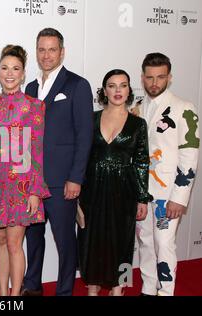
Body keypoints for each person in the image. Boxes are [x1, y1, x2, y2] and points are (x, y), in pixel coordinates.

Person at [22, 27, 94, 296]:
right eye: (42, 49)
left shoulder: (77, 85)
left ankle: (64, 291)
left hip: (62, 181)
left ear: (62, 52)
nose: (47, 55)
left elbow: (85, 135)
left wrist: (75, 178)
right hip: (33, 182)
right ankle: (32, 285)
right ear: (36, 52)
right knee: (34, 238)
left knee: (65, 241)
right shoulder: (29, 88)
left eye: (52, 49)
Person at [0, 45, 51, 296]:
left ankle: (15, 294)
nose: (10, 74)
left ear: (23, 75)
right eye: (5, 68)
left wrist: (35, 190)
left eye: (16, 69)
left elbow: (37, 151)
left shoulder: (34, 106)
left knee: (14, 243)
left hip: (21, 185)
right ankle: (2, 293)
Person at [77, 69, 151, 296]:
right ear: (104, 90)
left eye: (123, 85)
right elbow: (81, 156)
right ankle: (92, 286)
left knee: (124, 241)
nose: (118, 90)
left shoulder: (138, 124)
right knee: (90, 238)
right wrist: (78, 194)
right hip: (92, 189)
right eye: (112, 85)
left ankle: (119, 288)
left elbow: (141, 163)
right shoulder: (91, 118)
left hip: (124, 190)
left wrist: (142, 197)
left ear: (129, 89)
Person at [136, 53, 199, 296]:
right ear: (142, 78)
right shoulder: (138, 109)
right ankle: (148, 289)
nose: (155, 83)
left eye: (160, 77)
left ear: (169, 78)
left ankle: (166, 292)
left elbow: (189, 157)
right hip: (143, 193)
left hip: (167, 195)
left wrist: (179, 197)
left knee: (164, 243)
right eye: (150, 77)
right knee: (146, 243)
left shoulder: (184, 109)